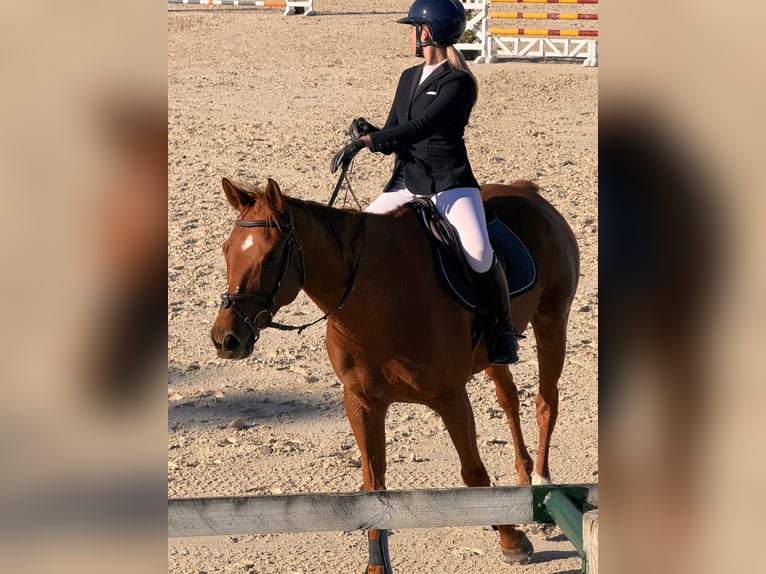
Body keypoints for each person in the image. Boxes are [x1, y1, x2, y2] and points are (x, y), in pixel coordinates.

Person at [331, 0, 519, 364]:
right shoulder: (407, 77)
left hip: (449, 183)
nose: (413, 34)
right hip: (406, 180)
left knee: (479, 254)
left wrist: (375, 140)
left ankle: (503, 330)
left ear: (428, 32)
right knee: (356, 238)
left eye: (415, 27)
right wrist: (369, 133)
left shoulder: (459, 82)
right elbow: (395, 132)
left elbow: (423, 127)